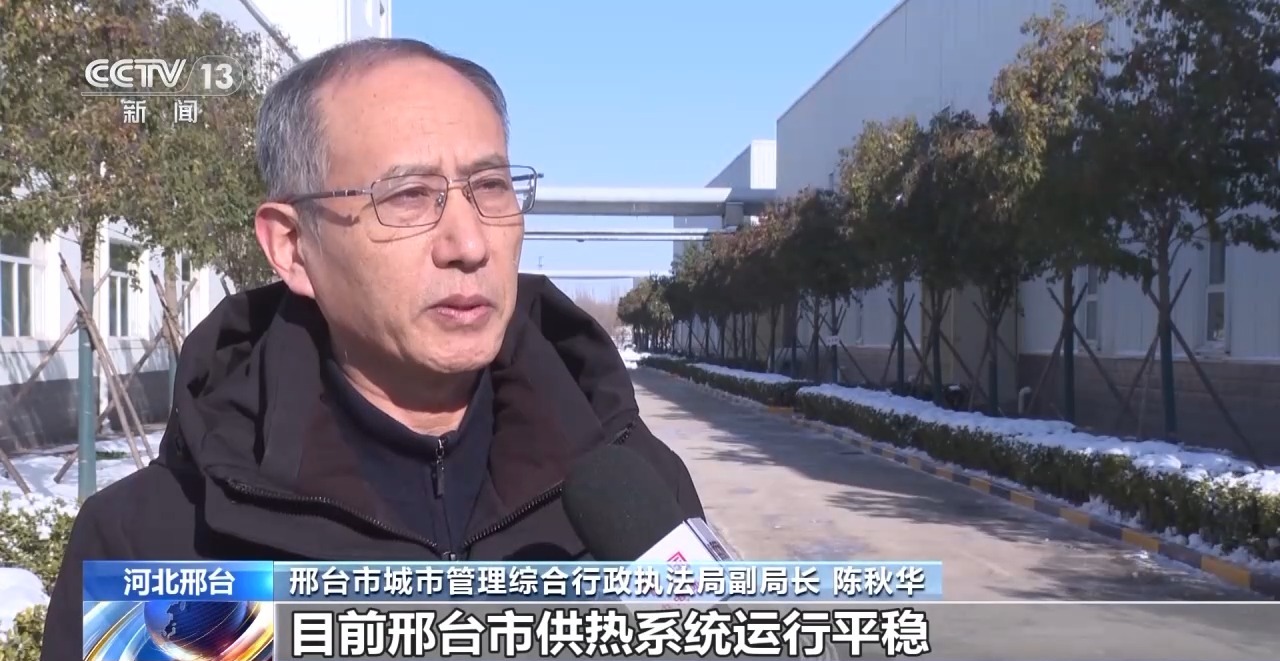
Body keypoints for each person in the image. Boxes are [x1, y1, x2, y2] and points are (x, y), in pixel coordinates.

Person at [40, 38, 704, 658]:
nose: (469, 243)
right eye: (409, 196)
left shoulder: (637, 495)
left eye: (491, 187)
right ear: (293, 247)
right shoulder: (151, 544)